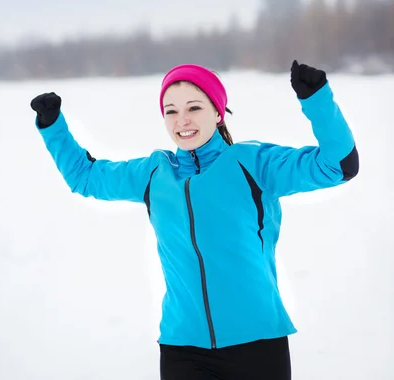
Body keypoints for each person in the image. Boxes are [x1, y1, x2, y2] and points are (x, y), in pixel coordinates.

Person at [30, 60, 359, 380]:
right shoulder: (154, 174)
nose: (181, 120)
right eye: (171, 110)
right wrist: (53, 126)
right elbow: (85, 178)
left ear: (217, 113)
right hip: (182, 348)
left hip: (257, 343)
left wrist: (317, 99)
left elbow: (338, 165)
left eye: (194, 108)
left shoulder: (253, 164)